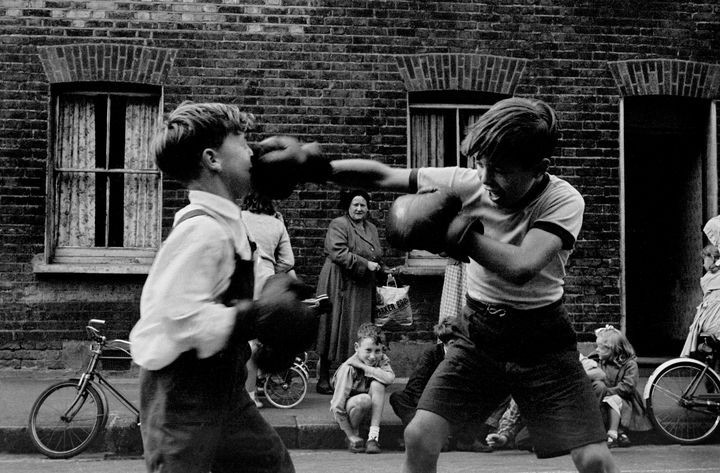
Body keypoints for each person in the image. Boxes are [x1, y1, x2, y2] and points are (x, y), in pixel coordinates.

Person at [251, 96, 619, 473]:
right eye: (481, 163)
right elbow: (382, 175)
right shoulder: (470, 181)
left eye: (502, 169)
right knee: (419, 435)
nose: (487, 177)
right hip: (480, 335)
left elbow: (522, 265)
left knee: (593, 459)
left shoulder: (562, 199)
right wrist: (317, 168)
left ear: (540, 167)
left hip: (543, 340)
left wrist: (451, 233)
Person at [129, 101, 318, 473]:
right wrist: (255, 316)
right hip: (181, 399)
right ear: (213, 159)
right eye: (243, 140)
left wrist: (278, 314)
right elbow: (172, 315)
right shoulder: (202, 230)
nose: (253, 150)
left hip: (226, 393)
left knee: (273, 467)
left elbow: (230, 292)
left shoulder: (230, 222)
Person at [315, 189, 384, 394]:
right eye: (355, 204)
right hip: (339, 283)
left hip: (362, 286)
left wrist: (382, 269)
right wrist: (366, 264)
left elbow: (376, 254)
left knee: (358, 330)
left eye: (363, 205)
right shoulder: (339, 224)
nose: (359, 209)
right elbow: (338, 252)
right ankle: (324, 378)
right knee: (333, 327)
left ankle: (353, 378)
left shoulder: (371, 228)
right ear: (348, 206)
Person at [241, 191, 297, 408]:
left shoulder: (238, 217)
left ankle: (248, 391)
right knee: (257, 340)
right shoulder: (276, 224)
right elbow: (288, 260)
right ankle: (255, 388)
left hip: (242, 282)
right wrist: (272, 268)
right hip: (266, 283)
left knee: (243, 339)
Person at [330, 322, 395, 454]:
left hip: (369, 412)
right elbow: (336, 406)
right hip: (349, 413)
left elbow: (389, 378)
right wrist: (350, 434)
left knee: (378, 384)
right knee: (364, 399)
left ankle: (373, 437)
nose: (372, 356)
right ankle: (353, 434)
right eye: (368, 350)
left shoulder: (381, 359)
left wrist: (365, 367)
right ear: (356, 347)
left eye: (377, 351)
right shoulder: (348, 368)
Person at [592, 325, 651, 448]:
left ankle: (613, 433)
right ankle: (619, 433)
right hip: (606, 396)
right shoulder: (600, 360)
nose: (596, 350)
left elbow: (628, 387)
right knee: (605, 399)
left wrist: (608, 391)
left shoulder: (630, 365)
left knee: (613, 400)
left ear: (613, 350)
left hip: (626, 399)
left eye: (600, 348)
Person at [680, 240, 720, 357]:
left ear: (712, 257)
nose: (703, 264)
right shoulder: (710, 278)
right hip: (715, 324)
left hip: (707, 323)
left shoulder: (707, 278)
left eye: (704, 260)